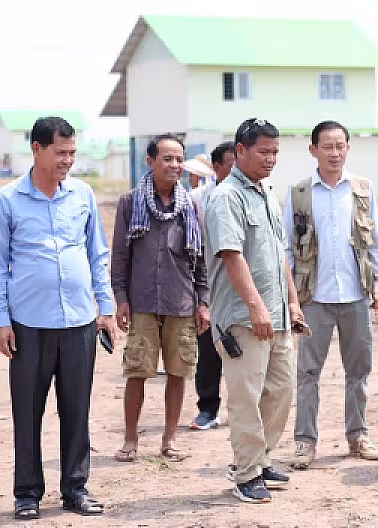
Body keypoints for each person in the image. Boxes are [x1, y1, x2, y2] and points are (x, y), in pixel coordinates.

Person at [0, 116, 117, 519]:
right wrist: (2, 320)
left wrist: (105, 310)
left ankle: (75, 488)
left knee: (76, 409)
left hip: (79, 322)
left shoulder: (82, 195)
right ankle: (27, 494)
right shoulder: (9, 200)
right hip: (29, 324)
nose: (68, 160)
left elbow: (97, 254)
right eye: (60, 152)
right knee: (27, 411)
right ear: (36, 149)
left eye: (72, 152)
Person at [205, 118, 304, 503]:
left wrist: (292, 302)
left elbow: (278, 256)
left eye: (275, 152)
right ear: (240, 151)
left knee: (281, 390)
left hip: (277, 315)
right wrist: (255, 306)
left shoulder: (266, 193)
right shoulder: (226, 197)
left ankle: (261, 459)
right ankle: (246, 473)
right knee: (246, 396)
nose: (270, 159)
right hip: (244, 319)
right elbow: (232, 256)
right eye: (263, 151)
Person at [284, 120, 378, 469]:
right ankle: (304, 442)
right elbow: (286, 248)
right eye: (326, 146)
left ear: (348, 148)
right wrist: (292, 299)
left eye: (340, 145)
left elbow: (375, 242)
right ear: (313, 150)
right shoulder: (299, 192)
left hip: (355, 294)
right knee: (307, 372)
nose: (334, 152)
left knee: (359, 370)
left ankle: (357, 436)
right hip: (314, 297)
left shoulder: (362, 189)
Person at [111, 134, 210, 462]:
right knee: (137, 371)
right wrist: (121, 297)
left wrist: (203, 301)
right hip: (141, 303)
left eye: (179, 159)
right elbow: (121, 256)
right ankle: (130, 440)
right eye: (167, 159)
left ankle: (169, 440)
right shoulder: (131, 202)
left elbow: (201, 259)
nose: (175, 165)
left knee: (179, 373)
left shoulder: (190, 205)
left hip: (181, 303)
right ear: (150, 161)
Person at [191, 141, 236, 430]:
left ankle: (245, 410)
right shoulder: (197, 199)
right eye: (230, 167)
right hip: (210, 281)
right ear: (215, 167)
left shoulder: (258, 195)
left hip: (243, 283)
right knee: (207, 350)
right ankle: (207, 408)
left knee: (244, 350)